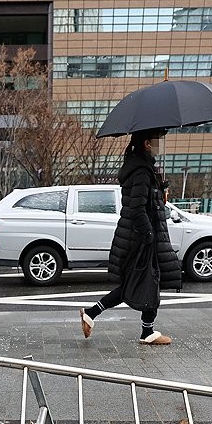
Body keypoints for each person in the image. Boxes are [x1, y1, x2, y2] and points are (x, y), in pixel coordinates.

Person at [79, 128, 182, 345]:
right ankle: (147, 332)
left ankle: (92, 313)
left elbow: (144, 203)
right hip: (142, 238)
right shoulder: (142, 171)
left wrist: (159, 191)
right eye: (158, 141)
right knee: (151, 281)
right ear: (146, 143)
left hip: (137, 236)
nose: (161, 145)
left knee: (135, 284)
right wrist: (149, 235)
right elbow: (136, 208)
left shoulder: (142, 168)